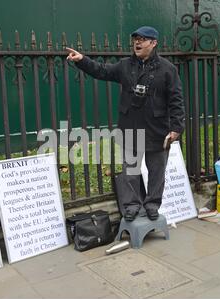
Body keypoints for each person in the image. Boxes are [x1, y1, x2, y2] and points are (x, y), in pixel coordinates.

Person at [66, 26, 185, 221]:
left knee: (157, 172)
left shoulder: (167, 69)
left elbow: (176, 100)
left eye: (142, 39)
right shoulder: (124, 66)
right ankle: (131, 206)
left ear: (153, 43)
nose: (137, 42)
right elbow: (102, 71)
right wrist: (82, 61)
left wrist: (176, 128)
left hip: (158, 130)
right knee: (130, 172)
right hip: (130, 127)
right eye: (135, 39)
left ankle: (152, 205)